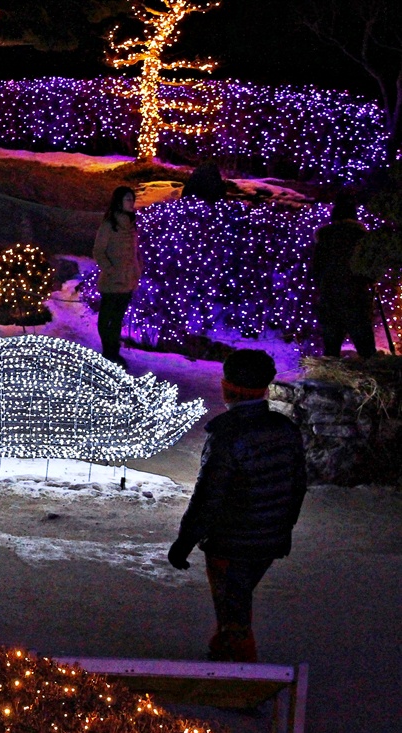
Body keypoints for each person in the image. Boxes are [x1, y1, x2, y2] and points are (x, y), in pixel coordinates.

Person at [168, 349, 306, 663]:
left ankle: (239, 672)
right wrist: (281, 527)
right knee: (237, 601)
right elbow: (298, 485)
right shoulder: (285, 429)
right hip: (269, 539)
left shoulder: (227, 435)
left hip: (231, 543)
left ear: (227, 388)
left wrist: (184, 542)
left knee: (234, 611)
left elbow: (208, 496)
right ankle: (224, 651)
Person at [311, 192, 376, 358]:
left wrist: (322, 287)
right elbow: (370, 268)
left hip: (330, 296)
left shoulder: (325, 239)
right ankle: (372, 372)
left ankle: (329, 373)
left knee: (331, 348)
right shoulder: (361, 238)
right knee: (366, 347)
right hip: (356, 296)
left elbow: (316, 269)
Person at [92, 186, 141, 367]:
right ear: (119, 201)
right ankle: (108, 353)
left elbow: (134, 252)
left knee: (117, 320)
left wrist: (136, 272)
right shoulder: (109, 225)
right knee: (107, 319)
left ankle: (114, 353)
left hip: (128, 281)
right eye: (128, 199)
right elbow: (99, 251)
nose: (131, 203)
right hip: (112, 282)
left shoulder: (132, 224)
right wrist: (111, 270)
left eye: (132, 199)